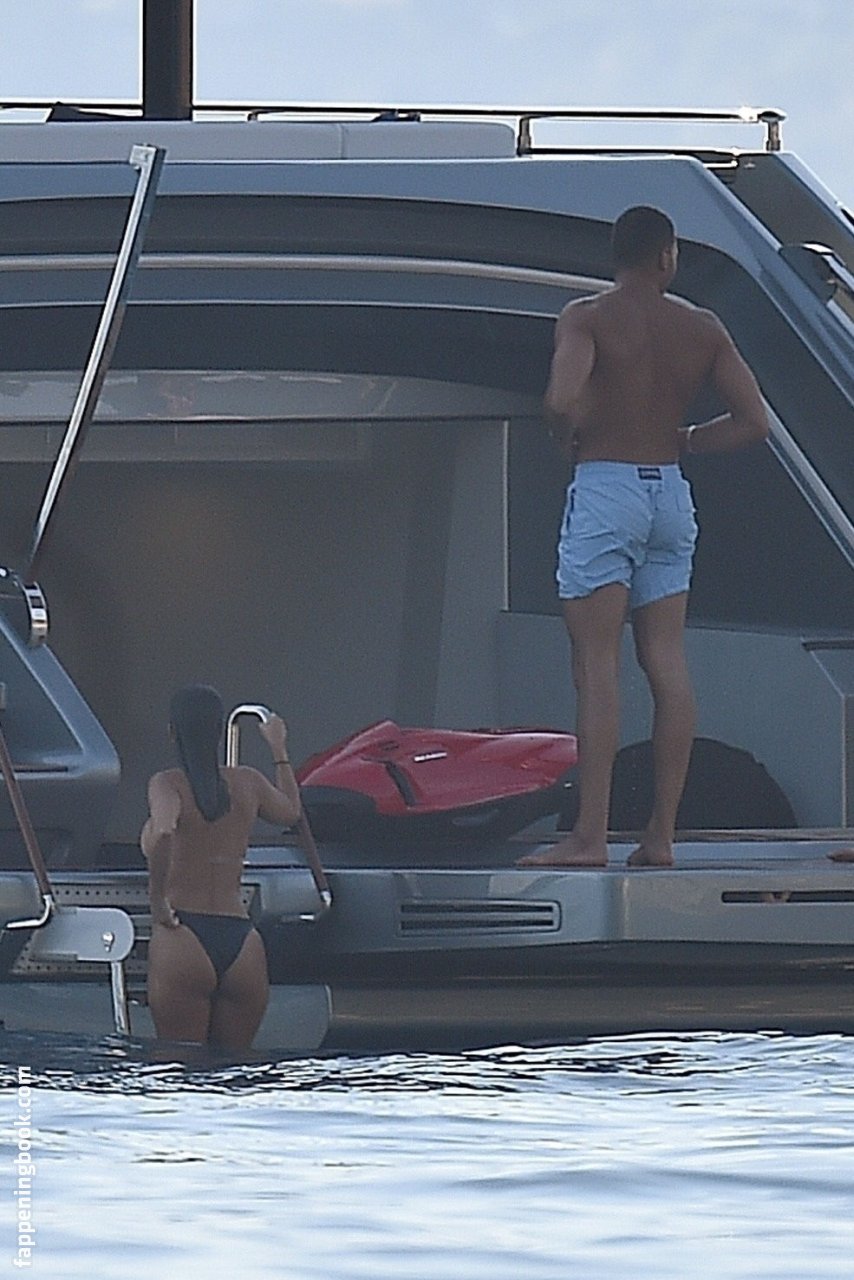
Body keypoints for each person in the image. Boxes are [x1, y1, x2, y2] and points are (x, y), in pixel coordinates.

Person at [518, 205, 769, 870]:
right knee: (667, 662)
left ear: (616, 255)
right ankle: (660, 836)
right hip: (671, 492)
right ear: (667, 257)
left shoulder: (587, 317)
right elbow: (754, 422)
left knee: (597, 667)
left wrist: (566, 436)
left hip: (608, 487)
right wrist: (686, 439)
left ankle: (590, 836)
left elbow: (560, 397)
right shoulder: (703, 327)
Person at [142, 684, 328, 1049]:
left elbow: (163, 831)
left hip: (183, 936)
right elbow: (291, 812)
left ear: (172, 732)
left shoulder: (168, 784)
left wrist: (157, 900)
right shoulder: (248, 782)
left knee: (179, 1067)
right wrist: (278, 749)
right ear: (219, 731)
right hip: (242, 941)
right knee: (234, 1069)